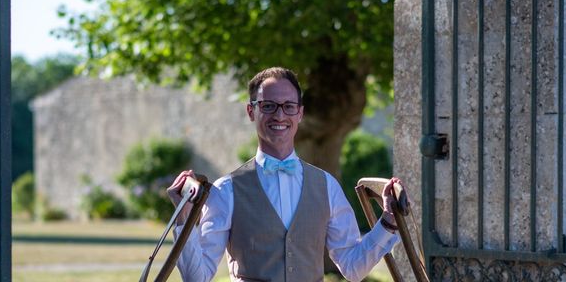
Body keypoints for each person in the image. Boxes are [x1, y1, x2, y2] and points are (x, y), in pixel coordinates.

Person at [167, 66, 408, 282]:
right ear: (251, 111)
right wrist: (182, 217)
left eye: (288, 107)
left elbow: (353, 267)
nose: (279, 115)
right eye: (268, 106)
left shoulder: (326, 186)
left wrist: (388, 221)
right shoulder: (226, 190)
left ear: (300, 114)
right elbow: (196, 277)